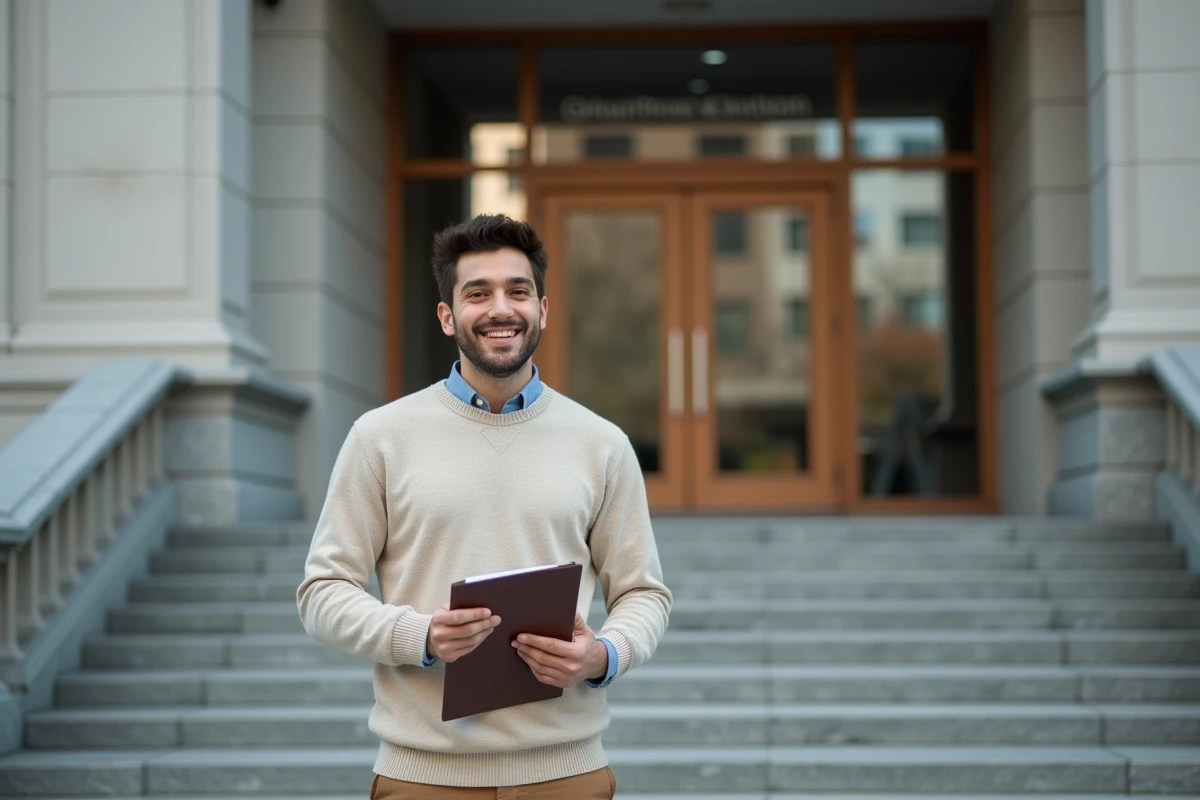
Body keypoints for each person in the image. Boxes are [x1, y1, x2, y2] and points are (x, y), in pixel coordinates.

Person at [297, 213, 672, 799]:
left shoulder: (602, 443)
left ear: (542, 309)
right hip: (422, 779)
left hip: (568, 776)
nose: (501, 308)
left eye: (517, 291)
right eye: (478, 294)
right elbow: (322, 592)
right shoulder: (380, 437)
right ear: (448, 317)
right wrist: (419, 636)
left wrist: (603, 654)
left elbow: (643, 593)